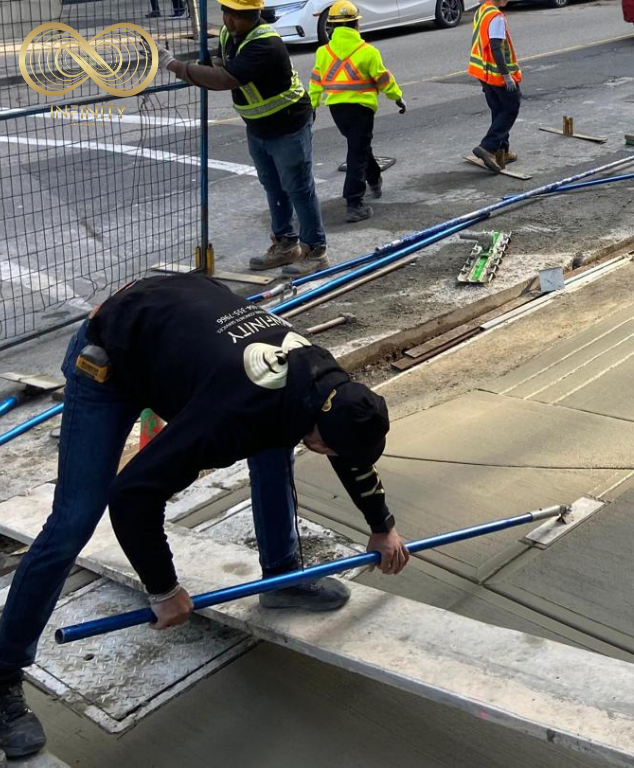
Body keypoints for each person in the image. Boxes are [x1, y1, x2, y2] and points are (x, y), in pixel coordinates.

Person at [0, 274, 411, 759]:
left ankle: (282, 579)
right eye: (325, 446)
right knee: (74, 520)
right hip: (109, 362)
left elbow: (346, 447)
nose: (326, 453)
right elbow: (133, 496)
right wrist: (164, 589)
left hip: (174, 336)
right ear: (322, 421)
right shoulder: (232, 415)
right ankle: (4, 677)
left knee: (275, 443)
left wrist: (382, 526)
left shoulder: (325, 384)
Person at [159, 0, 330, 277]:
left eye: (237, 16)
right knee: (273, 186)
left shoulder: (265, 44)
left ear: (254, 16)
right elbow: (218, 64)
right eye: (227, 13)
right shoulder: (229, 34)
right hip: (258, 126)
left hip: (288, 125)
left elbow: (225, 78)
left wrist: (175, 65)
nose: (229, 20)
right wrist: (202, 67)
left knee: (298, 187)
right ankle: (286, 245)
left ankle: (316, 250)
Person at [309, 0, 408, 224]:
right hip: (361, 110)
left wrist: (312, 107)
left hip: (337, 110)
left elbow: (316, 82)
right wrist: (397, 98)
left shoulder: (323, 52)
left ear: (332, 27)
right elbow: (384, 80)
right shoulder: (368, 52)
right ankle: (354, 203)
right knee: (356, 151)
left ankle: (374, 179)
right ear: (356, 25)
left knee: (360, 145)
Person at [467, 0, 521, 173]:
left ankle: (501, 151)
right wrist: (507, 76)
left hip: (484, 72)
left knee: (498, 110)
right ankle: (488, 147)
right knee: (511, 108)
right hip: (497, 74)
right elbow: (495, 47)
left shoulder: (482, 10)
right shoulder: (496, 17)